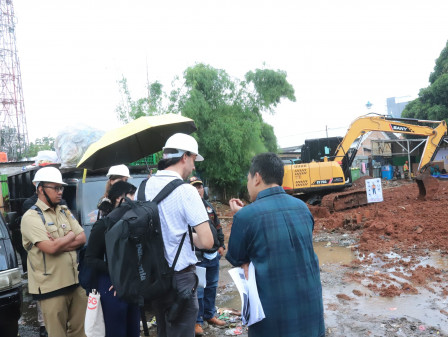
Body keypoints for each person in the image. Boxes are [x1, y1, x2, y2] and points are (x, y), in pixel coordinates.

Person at [226, 153, 325, 337]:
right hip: (310, 309)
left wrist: (241, 215)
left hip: (273, 317)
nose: (247, 184)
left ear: (257, 177)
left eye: (248, 178)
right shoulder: (302, 208)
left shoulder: (246, 217)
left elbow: (236, 256)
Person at [138, 133, 214, 337]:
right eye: (194, 160)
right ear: (184, 157)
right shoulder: (186, 191)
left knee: (164, 330)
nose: (194, 167)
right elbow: (207, 241)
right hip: (180, 279)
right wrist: (190, 237)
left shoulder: (143, 187)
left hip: (154, 277)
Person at [21, 166, 87, 337]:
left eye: (61, 188)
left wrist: (60, 243)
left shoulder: (63, 211)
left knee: (82, 332)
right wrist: (70, 236)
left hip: (75, 283)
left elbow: (82, 238)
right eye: (55, 188)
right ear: (40, 189)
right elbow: (50, 248)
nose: (60, 192)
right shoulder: (31, 217)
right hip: (51, 288)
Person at [85, 181, 140, 337]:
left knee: (133, 330)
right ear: (119, 198)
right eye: (131, 196)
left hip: (131, 285)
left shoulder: (134, 222)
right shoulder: (103, 225)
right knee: (116, 331)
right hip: (111, 285)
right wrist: (115, 273)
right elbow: (90, 258)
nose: (133, 200)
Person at [188, 176, 226, 336]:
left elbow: (217, 226)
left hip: (213, 256)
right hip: (198, 257)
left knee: (212, 287)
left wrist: (222, 245)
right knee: (199, 290)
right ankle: (197, 322)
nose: (198, 190)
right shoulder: (188, 209)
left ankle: (209, 315)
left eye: (200, 187)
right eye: (194, 187)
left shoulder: (209, 207)